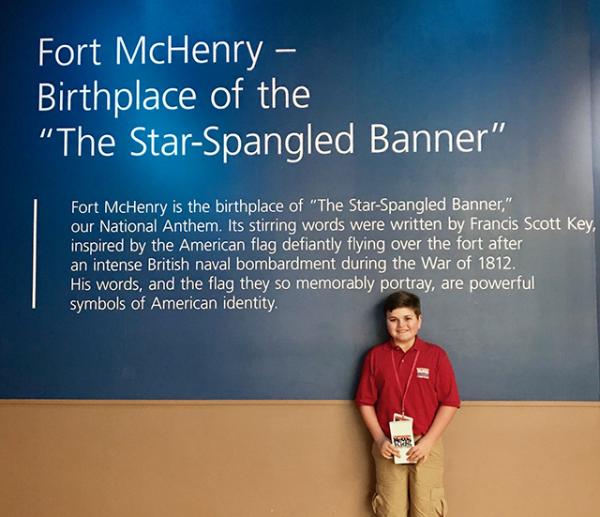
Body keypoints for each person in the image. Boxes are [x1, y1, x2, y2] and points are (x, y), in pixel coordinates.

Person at [355, 290, 460, 517]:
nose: (401, 325)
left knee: (427, 508)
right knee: (390, 509)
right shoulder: (375, 356)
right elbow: (364, 402)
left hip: (425, 442)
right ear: (386, 322)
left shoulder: (436, 356)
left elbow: (450, 402)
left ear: (419, 321)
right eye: (393, 319)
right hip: (389, 443)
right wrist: (380, 439)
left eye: (407, 318)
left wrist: (429, 442)